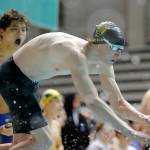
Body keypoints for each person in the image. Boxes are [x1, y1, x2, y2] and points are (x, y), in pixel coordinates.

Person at [0, 21, 150, 150]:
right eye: (115, 48)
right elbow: (92, 101)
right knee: (44, 142)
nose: (118, 54)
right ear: (100, 44)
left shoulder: (105, 63)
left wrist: (144, 119)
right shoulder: (74, 54)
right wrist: (130, 132)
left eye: (121, 50)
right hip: (13, 77)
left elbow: (119, 104)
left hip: (29, 82)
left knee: (24, 144)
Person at [0, 9, 28, 145]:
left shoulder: (24, 61)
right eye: (14, 29)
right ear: (1, 31)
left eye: (23, 29)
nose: (20, 33)